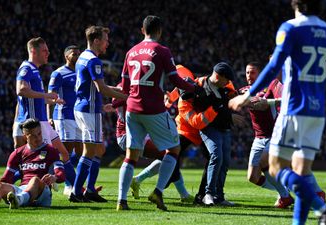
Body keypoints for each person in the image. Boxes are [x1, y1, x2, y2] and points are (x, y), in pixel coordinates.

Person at [229, 0, 326, 224]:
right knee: (301, 171)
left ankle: (322, 207)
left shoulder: (290, 28)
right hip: (316, 112)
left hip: (294, 108)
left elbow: (273, 66)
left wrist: (248, 95)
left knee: (274, 166)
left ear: (295, 3)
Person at [117, 15, 200, 211]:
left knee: (131, 156)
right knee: (174, 149)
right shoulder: (162, 51)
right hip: (153, 109)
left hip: (132, 109)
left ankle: (121, 200)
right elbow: (176, 81)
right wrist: (195, 88)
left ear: (142, 30)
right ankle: (158, 192)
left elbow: (125, 86)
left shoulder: (131, 52)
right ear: (159, 31)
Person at [71, 26, 127, 203]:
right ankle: (77, 193)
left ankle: (89, 190)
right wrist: (127, 97)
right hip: (89, 109)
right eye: (105, 39)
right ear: (96, 40)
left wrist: (120, 90)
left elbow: (98, 86)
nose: (107, 43)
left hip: (82, 107)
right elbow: (101, 89)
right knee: (89, 152)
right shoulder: (94, 61)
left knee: (98, 150)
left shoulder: (83, 57)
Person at [12, 37, 73, 187]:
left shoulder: (34, 70)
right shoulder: (26, 69)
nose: (48, 53)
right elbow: (21, 90)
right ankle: (20, 187)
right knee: (40, 160)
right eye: (44, 50)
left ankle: (77, 188)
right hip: (36, 124)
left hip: (43, 121)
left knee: (64, 153)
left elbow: (35, 98)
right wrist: (46, 95)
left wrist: (51, 100)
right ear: (34, 51)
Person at [0, 118, 65, 209]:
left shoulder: (51, 151)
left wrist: (54, 177)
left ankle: (18, 200)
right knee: (0, 185)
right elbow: (6, 178)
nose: (38, 138)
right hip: (22, 190)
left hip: (43, 193)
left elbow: (61, 174)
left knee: (35, 180)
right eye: (33, 136)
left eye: (39, 134)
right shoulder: (17, 153)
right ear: (25, 136)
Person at [182, 62, 237, 206]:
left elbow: (228, 101)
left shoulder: (224, 88)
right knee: (216, 156)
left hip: (224, 128)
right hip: (209, 128)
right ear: (219, 77)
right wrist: (221, 110)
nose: (228, 82)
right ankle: (208, 194)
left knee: (224, 162)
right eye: (227, 79)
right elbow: (184, 96)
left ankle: (219, 196)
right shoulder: (200, 88)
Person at [240, 61, 294, 208]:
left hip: (274, 135)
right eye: (247, 73)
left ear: (260, 73)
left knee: (266, 163)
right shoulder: (245, 90)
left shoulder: (271, 85)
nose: (249, 76)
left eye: (252, 72)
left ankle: (286, 195)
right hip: (258, 138)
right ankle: (284, 191)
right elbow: (230, 97)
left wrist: (267, 102)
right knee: (253, 177)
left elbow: (285, 100)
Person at [47, 45, 83, 196]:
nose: (77, 55)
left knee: (81, 152)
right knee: (66, 151)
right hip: (64, 115)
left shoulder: (82, 72)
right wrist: (49, 116)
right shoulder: (58, 73)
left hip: (79, 116)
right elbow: (50, 95)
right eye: (74, 53)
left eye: (78, 53)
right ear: (66, 56)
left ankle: (54, 172)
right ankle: (69, 185)